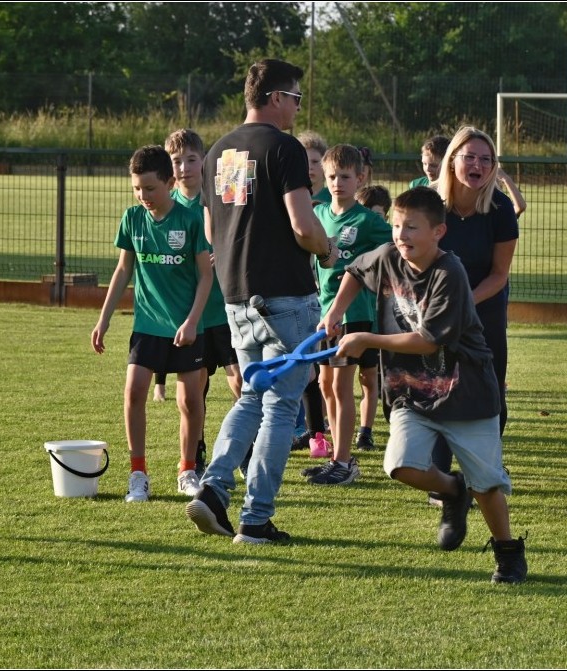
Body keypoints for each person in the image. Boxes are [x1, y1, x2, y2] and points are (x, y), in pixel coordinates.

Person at [319, 186, 527, 584]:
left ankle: (508, 551)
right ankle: (452, 490)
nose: (401, 235)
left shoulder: (451, 273)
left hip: (467, 393)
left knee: (487, 486)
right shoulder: (387, 257)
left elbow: (429, 340)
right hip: (411, 393)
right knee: (399, 465)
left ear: (439, 232)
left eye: (412, 227)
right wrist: (334, 313)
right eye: (397, 226)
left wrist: (366, 339)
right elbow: (355, 271)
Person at [185, 58, 336, 544]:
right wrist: (328, 248)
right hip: (285, 295)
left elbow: (212, 231)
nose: (296, 107)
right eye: (294, 98)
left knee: (252, 396)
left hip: (235, 295)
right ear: (274, 97)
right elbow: (302, 225)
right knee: (279, 406)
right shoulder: (284, 148)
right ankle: (255, 518)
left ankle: (212, 488)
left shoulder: (218, 152)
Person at [91, 145, 213, 502]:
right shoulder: (132, 219)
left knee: (191, 400)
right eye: (137, 189)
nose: (143, 196)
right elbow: (123, 269)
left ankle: (187, 469)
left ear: (170, 182)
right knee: (133, 393)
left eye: (150, 188)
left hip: (186, 327)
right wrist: (104, 319)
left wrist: (192, 321)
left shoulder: (190, 221)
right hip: (148, 325)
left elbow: (206, 276)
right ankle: (138, 475)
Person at [428, 126, 519, 502]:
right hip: (433, 314)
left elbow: (499, 275)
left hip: (485, 315)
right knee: (437, 391)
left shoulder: (499, 209)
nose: (477, 164)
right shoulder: (429, 204)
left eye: (486, 159)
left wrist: (463, 304)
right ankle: (439, 477)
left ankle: (485, 468)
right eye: (470, 157)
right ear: (452, 160)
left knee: (489, 392)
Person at [159, 129, 244, 479]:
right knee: (190, 396)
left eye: (191, 159)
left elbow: (241, 219)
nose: (183, 167)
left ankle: (242, 448)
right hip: (191, 317)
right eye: (176, 161)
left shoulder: (219, 193)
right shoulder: (165, 207)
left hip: (225, 308)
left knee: (241, 382)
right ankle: (193, 459)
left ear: (204, 161)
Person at [306, 144, 392, 485]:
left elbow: (394, 249)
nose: (338, 182)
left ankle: (343, 463)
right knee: (325, 384)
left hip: (354, 314)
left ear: (360, 177)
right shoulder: (319, 213)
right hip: (322, 310)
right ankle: (337, 456)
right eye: (331, 176)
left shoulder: (369, 221)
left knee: (342, 387)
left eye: (345, 176)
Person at [290, 129, 331, 452]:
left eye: (315, 161)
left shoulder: (333, 201)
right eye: (303, 161)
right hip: (297, 287)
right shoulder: (290, 198)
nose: (310, 167)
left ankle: (321, 425)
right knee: (300, 363)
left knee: (322, 368)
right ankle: (304, 426)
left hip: (326, 293)